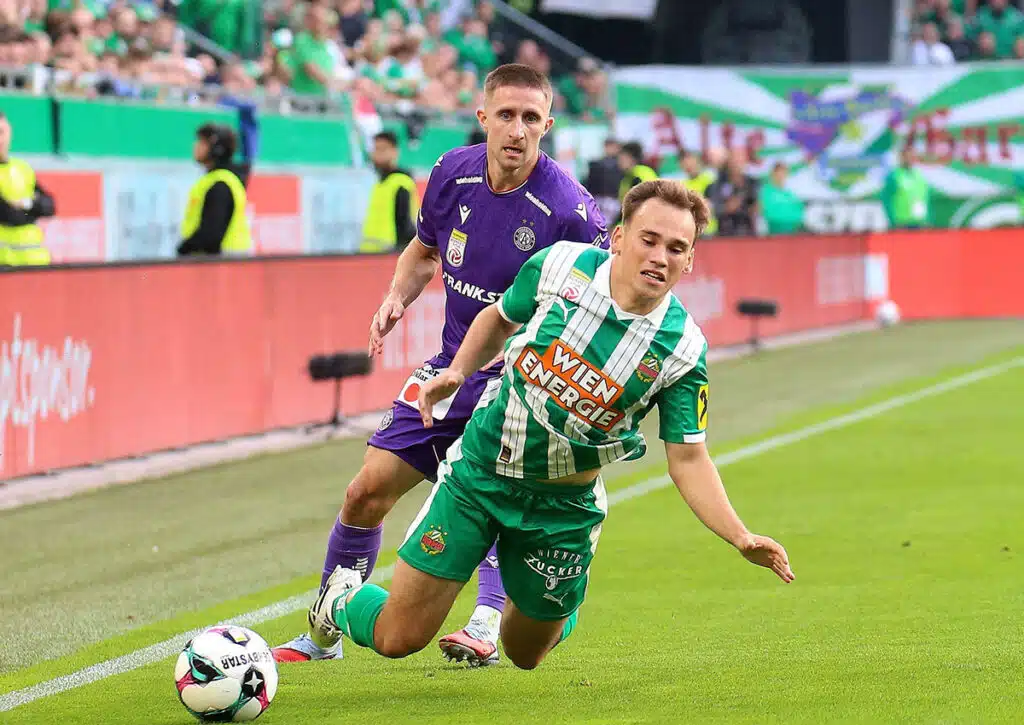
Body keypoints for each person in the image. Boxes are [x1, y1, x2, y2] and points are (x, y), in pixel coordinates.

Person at [304, 180, 794, 671]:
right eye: (649, 239)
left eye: (676, 248)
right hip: (479, 474)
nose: (660, 256)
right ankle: (341, 595)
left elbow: (689, 457)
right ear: (619, 237)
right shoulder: (561, 265)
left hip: (562, 509)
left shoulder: (683, 350)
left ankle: (558, 603)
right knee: (397, 637)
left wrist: (740, 536)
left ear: (689, 261)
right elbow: (498, 317)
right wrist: (458, 372)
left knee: (524, 653)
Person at [272, 62, 609, 666]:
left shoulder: (571, 213)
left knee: (489, 509)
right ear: (482, 118)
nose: (517, 129)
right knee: (365, 492)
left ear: (548, 126)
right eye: (505, 114)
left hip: (522, 392)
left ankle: (484, 625)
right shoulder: (451, 173)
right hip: (448, 373)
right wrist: (397, 295)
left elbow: (599, 311)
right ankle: (322, 636)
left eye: (531, 118)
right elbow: (424, 252)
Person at [177, 123, 253, 256]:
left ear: (217, 149)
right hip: (226, 264)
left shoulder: (220, 184)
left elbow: (211, 234)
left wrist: (184, 249)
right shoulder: (221, 179)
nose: (196, 146)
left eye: (202, 142)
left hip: (223, 265)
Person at [0, 111, 55, 266]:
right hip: (5, 266)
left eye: (1, 132)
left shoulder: (22, 168)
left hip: (37, 264)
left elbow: (50, 206)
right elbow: (10, 216)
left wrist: (26, 204)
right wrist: (34, 211)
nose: (0, 140)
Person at [360, 131, 420, 253]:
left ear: (395, 152)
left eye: (382, 149)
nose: (377, 154)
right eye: (375, 149)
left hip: (389, 256)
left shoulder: (401, 182)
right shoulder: (381, 183)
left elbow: (405, 225)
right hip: (371, 256)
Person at [881, 147, 930, 230]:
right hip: (901, 223)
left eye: (913, 156)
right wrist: (892, 221)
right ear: (901, 158)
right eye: (907, 156)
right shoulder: (894, 176)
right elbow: (886, 199)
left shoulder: (920, 176)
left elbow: (925, 198)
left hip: (919, 222)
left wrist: (927, 219)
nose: (910, 159)